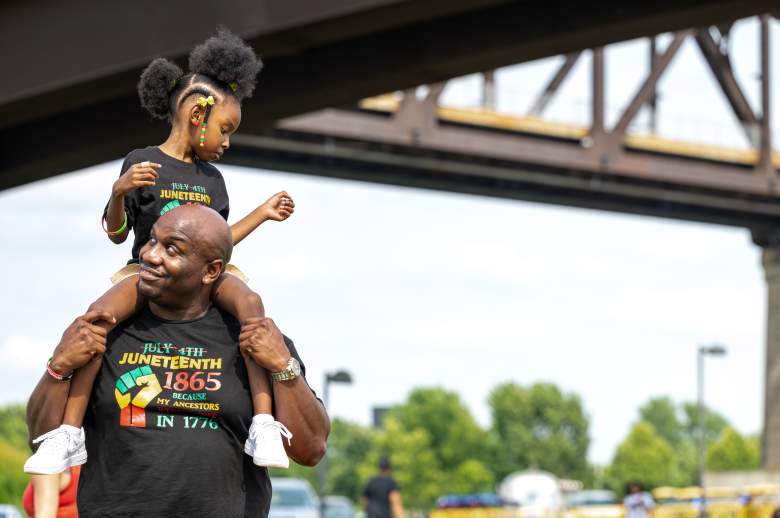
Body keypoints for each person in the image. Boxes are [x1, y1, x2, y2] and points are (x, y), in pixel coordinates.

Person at [24, 28, 295, 475]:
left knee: (250, 305)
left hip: (200, 277)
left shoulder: (213, 180)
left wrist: (262, 213)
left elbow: (219, 245)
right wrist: (118, 192)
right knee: (98, 318)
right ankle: (68, 433)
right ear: (197, 114)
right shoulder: (142, 161)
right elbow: (115, 233)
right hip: (145, 270)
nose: (227, 142)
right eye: (225, 129)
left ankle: (264, 422)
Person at [26, 205, 330, 518]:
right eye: (152, 240)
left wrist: (283, 367)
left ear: (210, 271)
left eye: (172, 249)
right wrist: (58, 368)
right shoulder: (106, 331)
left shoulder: (253, 336)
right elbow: (40, 440)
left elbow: (310, 450)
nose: (150, 255)